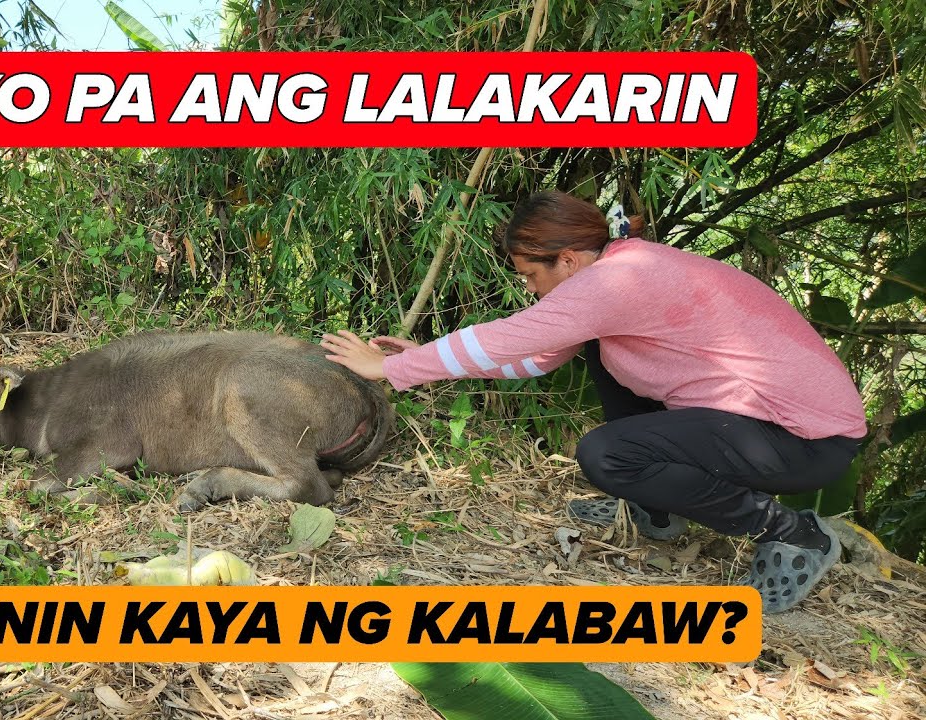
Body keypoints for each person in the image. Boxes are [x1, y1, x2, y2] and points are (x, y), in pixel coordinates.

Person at [321, 190, 866, 614]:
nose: (532, 288)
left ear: (568, 260)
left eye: (533, 275)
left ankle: (795, 535)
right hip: (755, 417)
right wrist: (427, 359)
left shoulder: (615, 283)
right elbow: (537, 354)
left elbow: (511, 335)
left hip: (802, 438)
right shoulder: (622, 269)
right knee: (607, 359)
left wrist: (391, 369)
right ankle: (657, 510)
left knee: (607, 455)